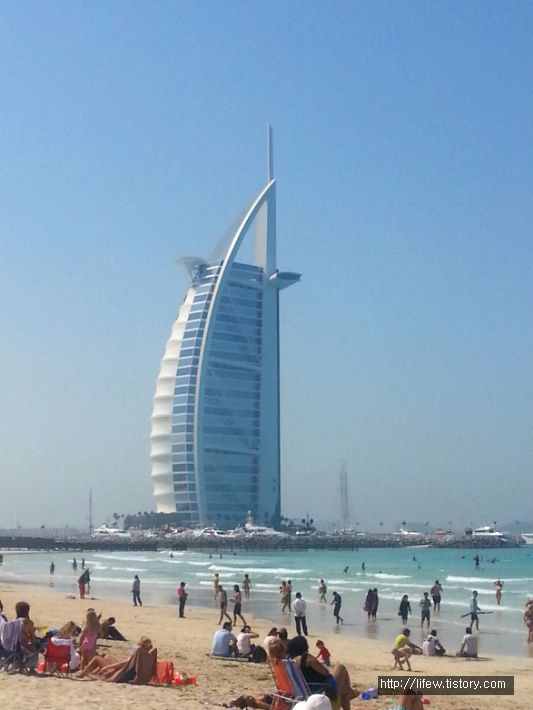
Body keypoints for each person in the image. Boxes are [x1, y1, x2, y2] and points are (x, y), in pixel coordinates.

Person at [15, 601, 39, 671]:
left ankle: (21, 666)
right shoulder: (28, 622)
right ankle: (31, 668)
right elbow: (32, 639)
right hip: (22, 647)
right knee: (36, 646)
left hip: (13, 646)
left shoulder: (14, 622)